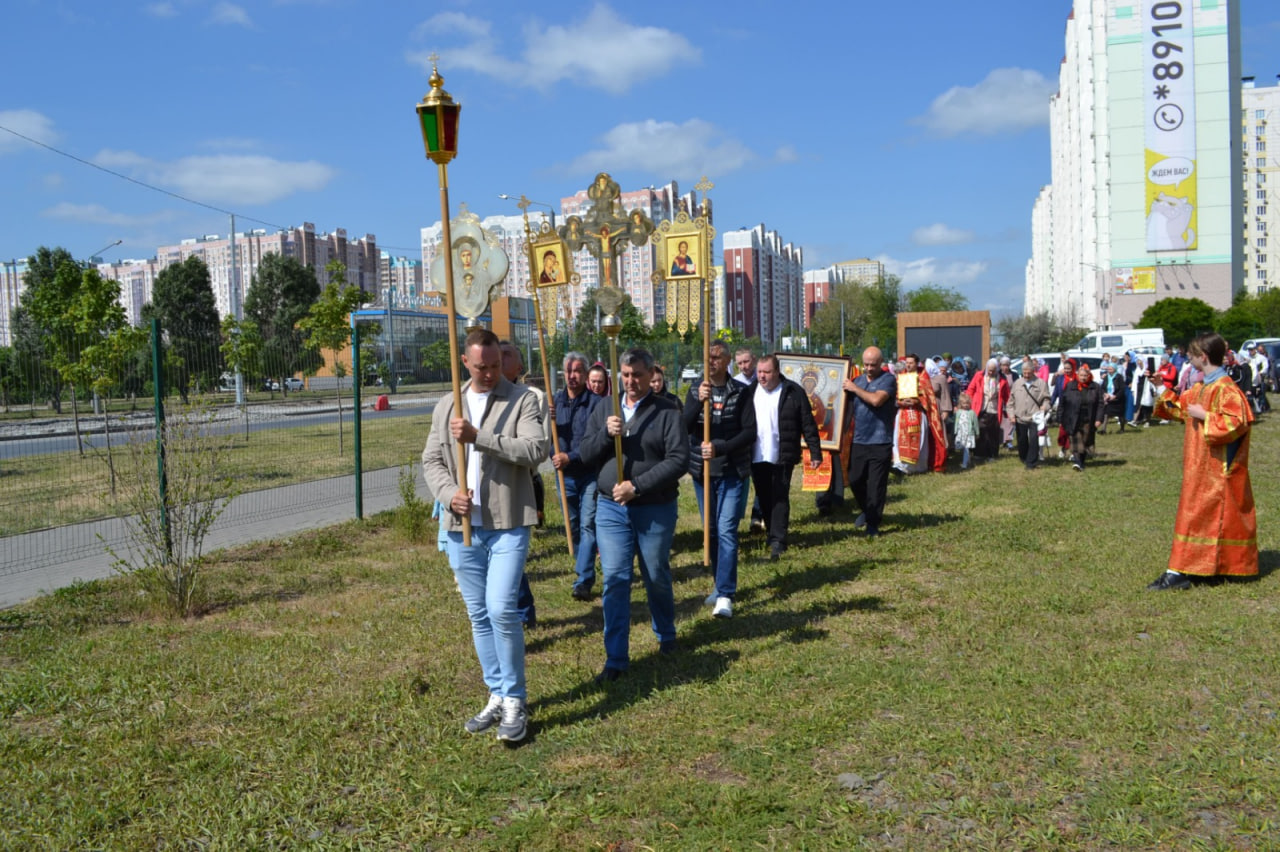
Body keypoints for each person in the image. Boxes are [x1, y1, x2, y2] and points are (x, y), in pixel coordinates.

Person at [421, 329, 547, 742]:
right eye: (481, 367)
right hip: (462, 528)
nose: (490, 374)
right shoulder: (448, 405)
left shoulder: (523, 400)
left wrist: (480, 439)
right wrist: (448, 495)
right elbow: (432, 460)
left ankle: (514, 699)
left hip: (508, 520)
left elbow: (534, 451)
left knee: (501, 609)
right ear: (465, 363)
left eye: (495, 366)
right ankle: (495, 693)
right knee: (478, 615)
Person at [578, 348, 689, 682]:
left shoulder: (667, 412)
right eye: (625, 375)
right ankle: (616, 658)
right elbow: (585, 453)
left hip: (653, 507)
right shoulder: (603, 409)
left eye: (637, 375)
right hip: (611, 509)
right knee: (615, 579)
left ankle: (666, 635)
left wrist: (637, 486)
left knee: (655, 573)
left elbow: (678, 459)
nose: (631, 382)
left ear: (651, 373)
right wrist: (604, 434)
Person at [1147, 332, 1258, 590]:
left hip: (1217, 472)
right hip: (1198, 468)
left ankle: (1177, 572)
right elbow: (1177, 408)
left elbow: (1237, 424)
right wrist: (1161, 387)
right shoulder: (1201, 387)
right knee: (1199, 518)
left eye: (1192, 354)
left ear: (1203, 357)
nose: (1188, 357)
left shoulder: (1227, 389)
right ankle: (1205, 568)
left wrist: (1205, 415)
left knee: (1200, 517)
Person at [684, 340, 757, 618]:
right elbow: (683, 426)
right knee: (711, 531)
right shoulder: (695, 389)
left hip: (731, 470)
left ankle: (726, 594)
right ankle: (719, 583)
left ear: (727, 360)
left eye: (715, 357)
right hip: (703, 473)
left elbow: (750, 432)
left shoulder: (740, 392)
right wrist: (697, 402)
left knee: (727, 530)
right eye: (707, 357)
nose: (710, 362)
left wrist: (721, 447)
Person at [749, 354, 822, 561]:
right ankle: (772, 532)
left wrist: (815, 451)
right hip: (756, 454)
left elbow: (808, 423)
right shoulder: (750, 392)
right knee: (763, 496)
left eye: (767, 372)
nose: (762, 376)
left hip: (783, 454)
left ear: (777, 372)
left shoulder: (793, 392)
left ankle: (779, 539)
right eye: (759, 372)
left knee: (779, 495)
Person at [550, 352, 604, 601]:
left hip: (590, 473)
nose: (572, 376)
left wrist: (570, 456)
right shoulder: (555, 402)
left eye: (577, 371)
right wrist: (555, 455)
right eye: (568, 371)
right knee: (572, 527)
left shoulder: (595, 403)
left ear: (584, 374)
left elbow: (594, 441)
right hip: (565, 476)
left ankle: (583, 579)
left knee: (587, 523)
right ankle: (584, 561)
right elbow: (548, 439)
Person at [500, 341, 545, 628]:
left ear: (519, 366)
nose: (499, 363)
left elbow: (535, 449)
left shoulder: (531, 398)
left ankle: (522, 614)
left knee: (511, 559)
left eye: (506, 357)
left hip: (519, 484)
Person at [843, 346, 897, 538]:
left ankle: (873, 524)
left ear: (880, 363)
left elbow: (876, 400)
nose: (869, 368)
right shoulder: (857, 381)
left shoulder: (888, 380)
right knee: (855, 480)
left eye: (873, 365)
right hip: (859, 440)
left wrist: (854, 389)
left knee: (876, 485)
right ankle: (868, 510)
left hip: (880, 440)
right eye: (866, 364)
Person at [891, 353, 947, 474]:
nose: (908, 365)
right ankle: (900, 465)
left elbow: (928, 397)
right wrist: (901, 401)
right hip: (903, 413)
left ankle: (918, 467)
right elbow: (895, 395)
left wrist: (917, 400)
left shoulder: (923, 377)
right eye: (907, 363)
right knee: (899, 438)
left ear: (917, 364)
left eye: (911, 363)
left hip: (917, 413)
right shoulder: (901, 377)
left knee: (919, 438)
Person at [1059, 363, 1104, 472]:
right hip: (1073, 417)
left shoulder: (1095, 387)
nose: (1083, 378)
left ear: (1089, 376)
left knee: (1085, 441)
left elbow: (1100, 404)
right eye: (1081, 375)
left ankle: (1081, 461)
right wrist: (1060, 417)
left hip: (1089, 417)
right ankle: (1077, 462)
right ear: (1077, 375)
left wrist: (1099, 419)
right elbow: (1063, 402)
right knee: (1075, 439)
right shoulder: (1070, 386)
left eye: (1085, 376)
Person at [1008, 357, 1051, 471]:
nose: (1026, 375)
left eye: (1029, 373)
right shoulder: (1017, 383)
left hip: (1035, 417)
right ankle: (1024, 457)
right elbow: (1010, 402)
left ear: (1033, 371)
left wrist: (1044, 407)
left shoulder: (1041, 383)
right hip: (1020, 416)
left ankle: (1031, 462)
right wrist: (1011, 415)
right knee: (1022, 440)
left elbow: (1047, 399)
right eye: (1024, 373)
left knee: (1034, 440)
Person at [966, 359, 1010, 460]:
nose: (991, 372)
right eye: (989, 370)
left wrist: (1009, 408)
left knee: (992, 432)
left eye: (993, 370)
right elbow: (970, 390)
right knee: (980, 431)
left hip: (994, 409)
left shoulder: (1002, 379)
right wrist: (968, 404)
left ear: (997, 369)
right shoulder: (979, 376)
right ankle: (979, 454)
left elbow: (1007, 395)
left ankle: (992, 454)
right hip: (980, 407)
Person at [953, 392, 978, 470]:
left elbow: (975, 423)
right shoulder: (958, 412)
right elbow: (956, 421)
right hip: (960, 433)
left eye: (967, 403)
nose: (966, 405)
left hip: (968, 433)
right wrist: (955, 430)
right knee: (959, 446)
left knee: (966, 448)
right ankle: (968, 459)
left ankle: (964, 464)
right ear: (960, 404)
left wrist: (977, 433)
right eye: (964, 403)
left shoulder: (972, 413)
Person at [1101, 363, 1127, 432]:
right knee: (1106, 414)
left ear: (1115, 369)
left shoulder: (1119, 377)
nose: (1109, 370)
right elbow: (1103, 387)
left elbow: (1122, 389)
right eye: (1108, 368)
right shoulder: (1106, 377)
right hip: (1108, 398)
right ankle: (1103, 429)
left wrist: (1115, 396)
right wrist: (1105, 394)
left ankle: (1122, 429)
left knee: (1120, 415)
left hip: (1118, 399)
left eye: (1111, 369)